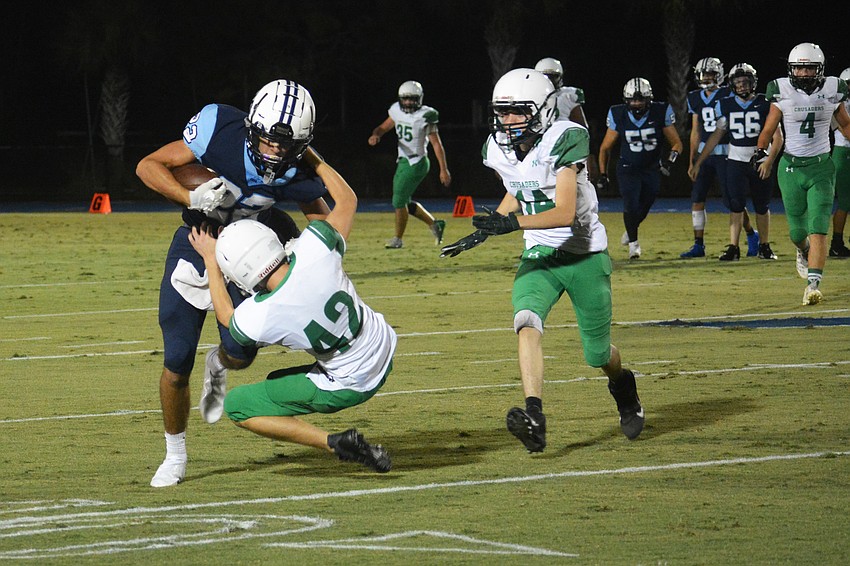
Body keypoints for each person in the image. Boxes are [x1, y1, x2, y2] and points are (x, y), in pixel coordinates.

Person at [136, 79, 332, 487]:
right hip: (199, 241)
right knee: (176, 359)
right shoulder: (218, 129)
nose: (275, 153)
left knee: (240, 354)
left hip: (251, 255)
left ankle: (219, 365)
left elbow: (323, 219)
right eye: (268, 142)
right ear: (251, 128)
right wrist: (189, 198)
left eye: (286, 146)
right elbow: (148, 166)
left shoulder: (297, 168)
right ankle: (175, 454)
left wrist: (307, 251)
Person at [441, 68, 644, 453]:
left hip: (584, 255)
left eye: (517, 111)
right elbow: (519, 189)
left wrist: (510, 224)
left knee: (597, 355)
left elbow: (564, 211)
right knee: (526, 321)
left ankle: (624, 388)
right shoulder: (496, 147)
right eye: (502, 112)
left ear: (544, 109)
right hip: (539, 253)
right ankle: (535, 414)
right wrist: (488, 228)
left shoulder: (565, 137)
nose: (508, 120)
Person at [187, 148, 394, 474]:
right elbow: (348, 201)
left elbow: (227, 316)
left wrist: (211, 260)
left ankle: (334, 442)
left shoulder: (262, 314)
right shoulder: (315, 247)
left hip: (351, 383)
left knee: (239, 406)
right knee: (276, 381)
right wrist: (309, 155)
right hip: (382, 343)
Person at [757, 43, 850, 305]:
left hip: (821, 166)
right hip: (790, 168)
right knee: (798, 233)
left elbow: (844, 124)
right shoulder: (781, 91)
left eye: (809, 68)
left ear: (819, 70)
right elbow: (769, 128)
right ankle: (803, 251)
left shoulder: (833, 90)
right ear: (791, 69)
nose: (804, 73)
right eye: (799, 68)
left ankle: (813, 284)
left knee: (819, 227)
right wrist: (761, 150)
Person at [690, 63, 783, 261]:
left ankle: (764, 246)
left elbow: (778, 137)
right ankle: (733, 247)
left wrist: (769, 162)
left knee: (761, 205)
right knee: (735, 205)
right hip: (735, 159)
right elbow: (716, 135)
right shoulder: (725, 104)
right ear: (732, 84)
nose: (741, 86)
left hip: (760, 160)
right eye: (738, 82)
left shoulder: (765, 103)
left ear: (753, 83)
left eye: (745, 82)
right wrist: (699, 161)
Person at [596, 77, 683, 259]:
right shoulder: (618, 114)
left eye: (640, 100)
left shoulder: (660, 111)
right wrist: (603, 173)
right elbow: (605, 147)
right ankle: (634, 245)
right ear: (626, 101)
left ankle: (630, 229)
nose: (636, 104)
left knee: (645, 205)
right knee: (630, 204)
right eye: (633, 100)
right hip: (628, 168)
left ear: (648, 99)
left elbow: (676, 143)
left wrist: (669, 162)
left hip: (651, 168)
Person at [681, 58, 759, 258]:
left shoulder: (728, 93)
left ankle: (751, 234)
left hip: (727, 153)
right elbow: (695, 131)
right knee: (697, 198)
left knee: (732, 201)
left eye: (711, 75)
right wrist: (692, 159)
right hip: (705, 155)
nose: (707, 78)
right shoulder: (694, 97)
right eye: (704, 75)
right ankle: (698, 244)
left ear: (720, 75)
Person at [368, 80, 451, 249]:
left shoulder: (426, 115)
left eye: (412, 99)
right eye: (405, 99)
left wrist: (443, 169)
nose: (408, 103)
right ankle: (435, 224)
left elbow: (436, 144)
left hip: (417, 162)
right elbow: (383, 127)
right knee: (404, 200)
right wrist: (376, 135)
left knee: (398, 201)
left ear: (419, 99)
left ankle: (398, 239)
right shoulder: (396, 111)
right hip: (403, 161)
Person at [830, 67, 850, 257]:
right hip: (844, 154)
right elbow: (846, 132)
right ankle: (836, 242)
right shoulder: (837, 104)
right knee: (845, 200)